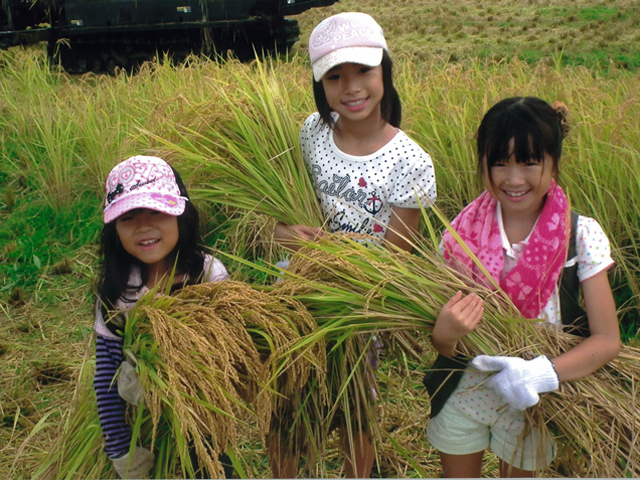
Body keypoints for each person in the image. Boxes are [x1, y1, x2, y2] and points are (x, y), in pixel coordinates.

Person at [272, 12, 437, 478]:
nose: (351, 87)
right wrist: (287, 236)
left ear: (385, 69)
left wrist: (334, 263)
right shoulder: (312, 133)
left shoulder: (411, 161)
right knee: (289, 402)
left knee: (353, 406)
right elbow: (281, 219)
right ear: (320, 85)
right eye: (334, 76)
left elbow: (394, 258)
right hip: (298, 294)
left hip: (359, 304)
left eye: (363, 70)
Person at [426, 97, 620, 477]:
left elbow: (607, 340)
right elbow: (440, 338)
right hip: (463, 396)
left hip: (533, 402)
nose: (513, 179)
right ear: (482, 161)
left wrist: (540, 374)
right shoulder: (459, 235)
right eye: (499, 162)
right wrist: (444, 338)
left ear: (554, 163)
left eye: (529, 162)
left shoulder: (579, 236)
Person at [93, 155, 232, 479]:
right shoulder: (118, 294)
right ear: (114, 229)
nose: (144, 226)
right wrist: (120, 449)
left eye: (156, 211)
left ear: (180, 215)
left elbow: (231, 349)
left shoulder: (208, 274)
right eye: (128, 217)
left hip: (203, 422)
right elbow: (106, 378)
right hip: (141, 424)